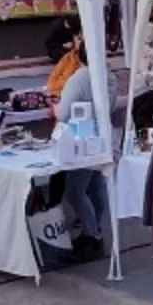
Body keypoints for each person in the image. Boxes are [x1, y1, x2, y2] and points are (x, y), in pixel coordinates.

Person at [56, 42, 118, 259]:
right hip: (102, 136)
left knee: (75, 190)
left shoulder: (79, 79)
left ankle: (92, 233)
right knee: (95, 186)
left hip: (81, 138)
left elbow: (63, 113)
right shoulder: (109, 77)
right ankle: (93, 230)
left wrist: (55, 107)